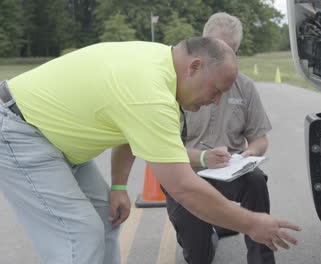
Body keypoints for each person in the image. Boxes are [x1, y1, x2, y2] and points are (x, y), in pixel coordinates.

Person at [0, 37, 300, 264]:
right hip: (21, 132)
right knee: (79, 235)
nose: (216, 101)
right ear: (194, 67)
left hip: (52, 139)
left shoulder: (159, 62)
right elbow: (185, 189)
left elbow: (129, 131)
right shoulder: (152, 94)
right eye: (216, 90)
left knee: (105, 217)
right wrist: (251, 223)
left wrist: (118, 186)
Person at [163, 12, 276, 264]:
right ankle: (214, 229)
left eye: (230, 50)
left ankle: (261, 258)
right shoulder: (175, 86)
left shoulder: (244, 87)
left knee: (256, 180)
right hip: (187, 174)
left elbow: (259, 139)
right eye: (216, 47)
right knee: (199, 256)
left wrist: (249, 154)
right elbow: (162, 151)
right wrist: (203, 158)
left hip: (230, 173)